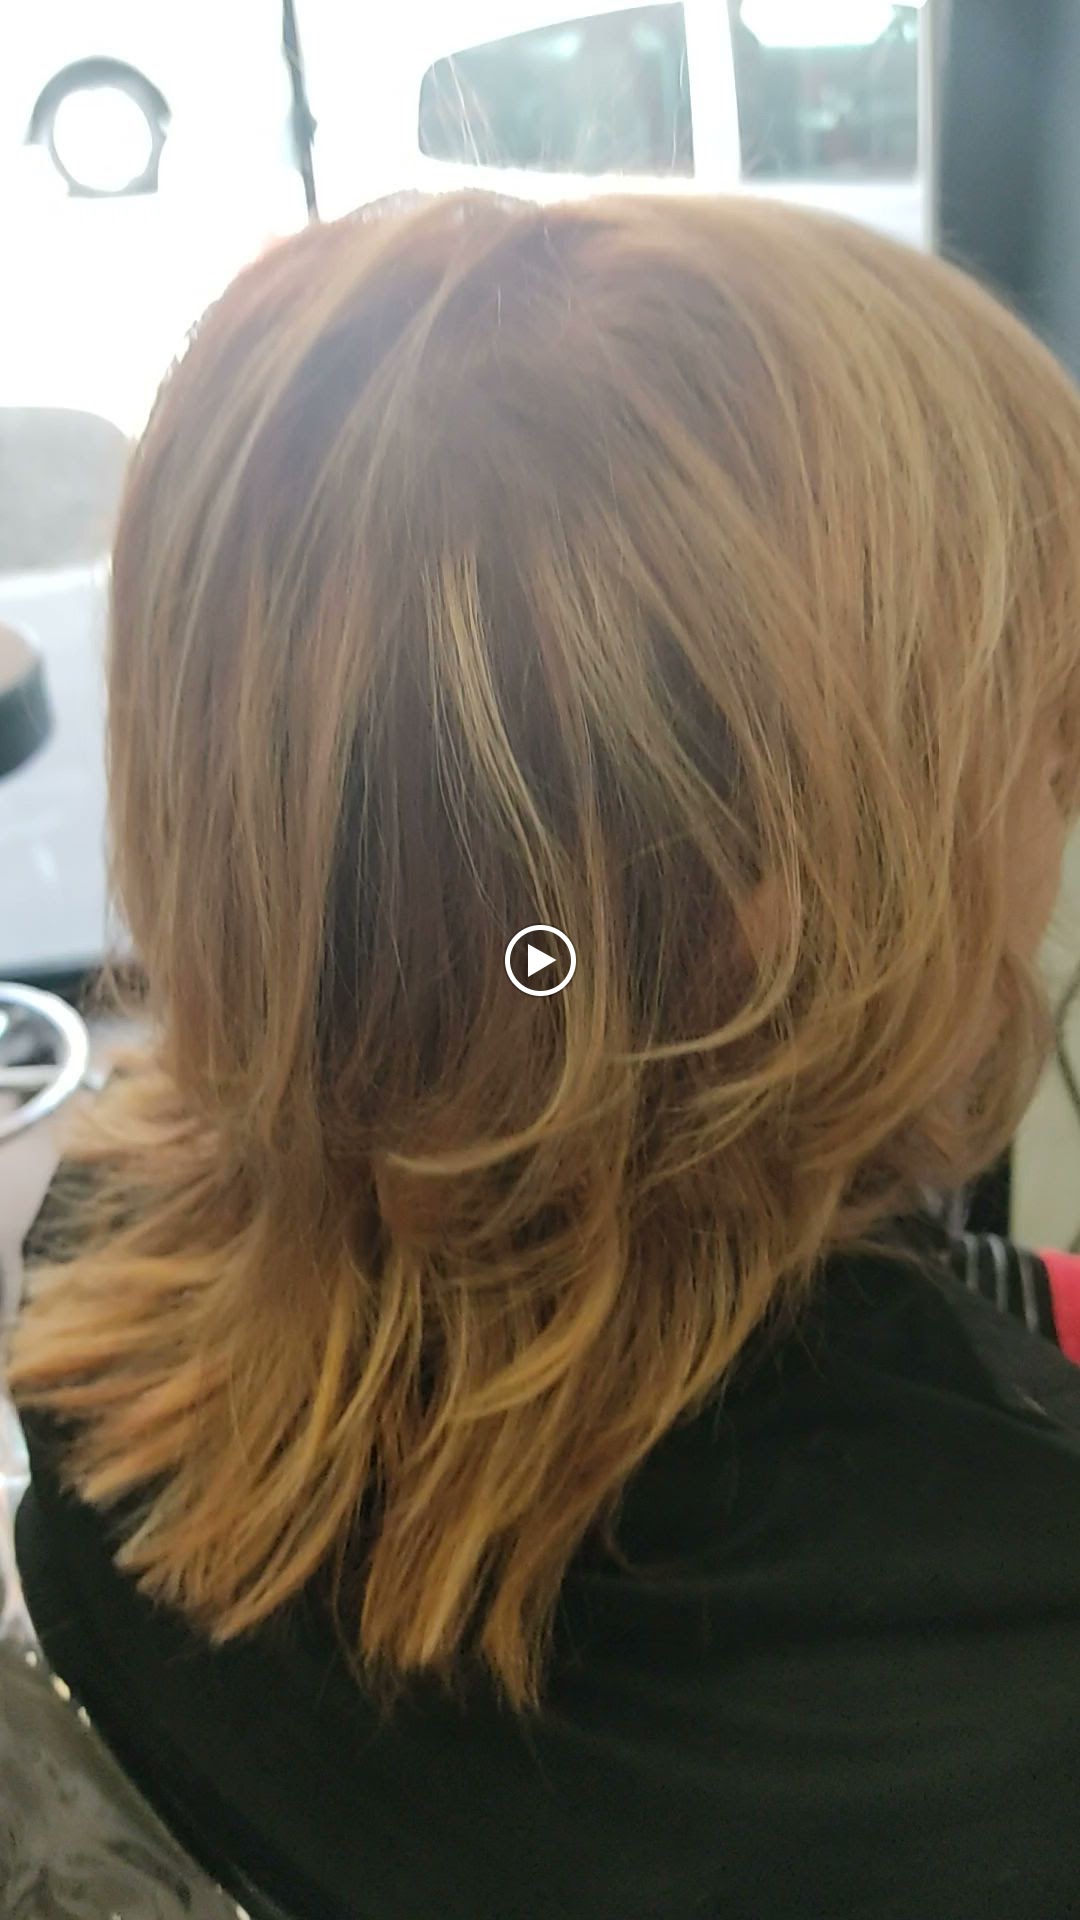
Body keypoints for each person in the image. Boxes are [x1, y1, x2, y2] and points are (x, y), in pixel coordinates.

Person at [7, 189, 1080, 1919]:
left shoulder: (93, 1280)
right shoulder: (1015, 1700)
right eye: (1043, 741)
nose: (1062, 806)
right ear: (759, 914)